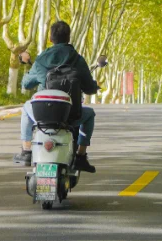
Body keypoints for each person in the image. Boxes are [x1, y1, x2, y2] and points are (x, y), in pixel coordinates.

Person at [13, 20, 102, 173]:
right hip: (70, 115)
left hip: (42, 115)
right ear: (69, 38)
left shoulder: (41, 60)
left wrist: (32, 74)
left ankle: (27, 150)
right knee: (89, 114)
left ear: (50, 38)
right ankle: (81, 156)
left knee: (26, 108)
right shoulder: (77, 60)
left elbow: (26, 84)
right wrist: (95, 86)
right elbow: (89, 88)